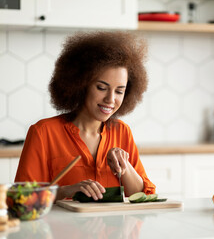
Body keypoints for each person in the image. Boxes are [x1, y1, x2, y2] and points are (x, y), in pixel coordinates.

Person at [15, 31, 155, 201]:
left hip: (116, 228)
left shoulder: (122, 132)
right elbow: (22, 198)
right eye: (101, 88)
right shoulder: (43, 132)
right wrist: (66, 191)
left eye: (119, 91)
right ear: (80, 84)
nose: (110, 99)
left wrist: (125, 167)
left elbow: (143, 197)